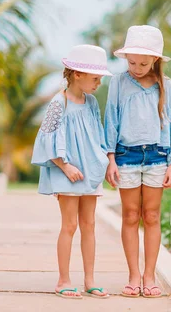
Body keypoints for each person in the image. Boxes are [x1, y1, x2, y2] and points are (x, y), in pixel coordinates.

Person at [104, 25, 171, 298]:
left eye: (143, 62)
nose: (136, 67)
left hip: (157, 157)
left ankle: (150, 276)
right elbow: (111, 119)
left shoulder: (167, 86)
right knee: (129, 215)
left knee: (151, 216)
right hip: (126, 156)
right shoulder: (118, 82)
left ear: (155, 60)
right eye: (131, 62)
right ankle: (133, 275)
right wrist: (110, 158)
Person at [31, 44, 112, 299]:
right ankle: (63, 280)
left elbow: (97, 134)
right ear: (77, 74)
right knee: (70, 224)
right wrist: (65, 166)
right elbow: (46, 139)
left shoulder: (91, 102)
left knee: (89, 224)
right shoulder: (59, 102)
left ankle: (90, 280)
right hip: (67, 172)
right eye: (95, 78)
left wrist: (103, 162)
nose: (99, 83)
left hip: (89, 171)